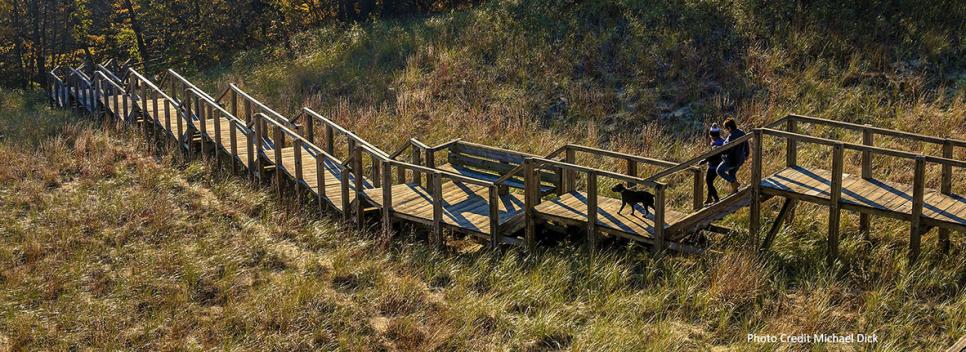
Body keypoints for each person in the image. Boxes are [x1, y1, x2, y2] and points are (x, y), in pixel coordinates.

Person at [716, 117, 749, 195]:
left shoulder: (731, 136)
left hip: (732, 160)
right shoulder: (742, 132)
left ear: (729, 127)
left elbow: (727, 150)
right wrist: (747, 154)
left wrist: (719, 149)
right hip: (740, 159)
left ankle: (734, 182)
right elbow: (746, 145)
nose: (726, 130)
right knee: (732, 173)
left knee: (719, 170)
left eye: (726, 129)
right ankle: (735, 191)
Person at [700, 123, 725, 205]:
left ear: (712, 135)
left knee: (708, 181)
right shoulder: (722, 141)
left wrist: (704, 160)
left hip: (714, 165)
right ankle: (709, 198)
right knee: (710, 181)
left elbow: (713, 155)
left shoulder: (716, 143)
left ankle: (716, 198)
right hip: (717, 164)